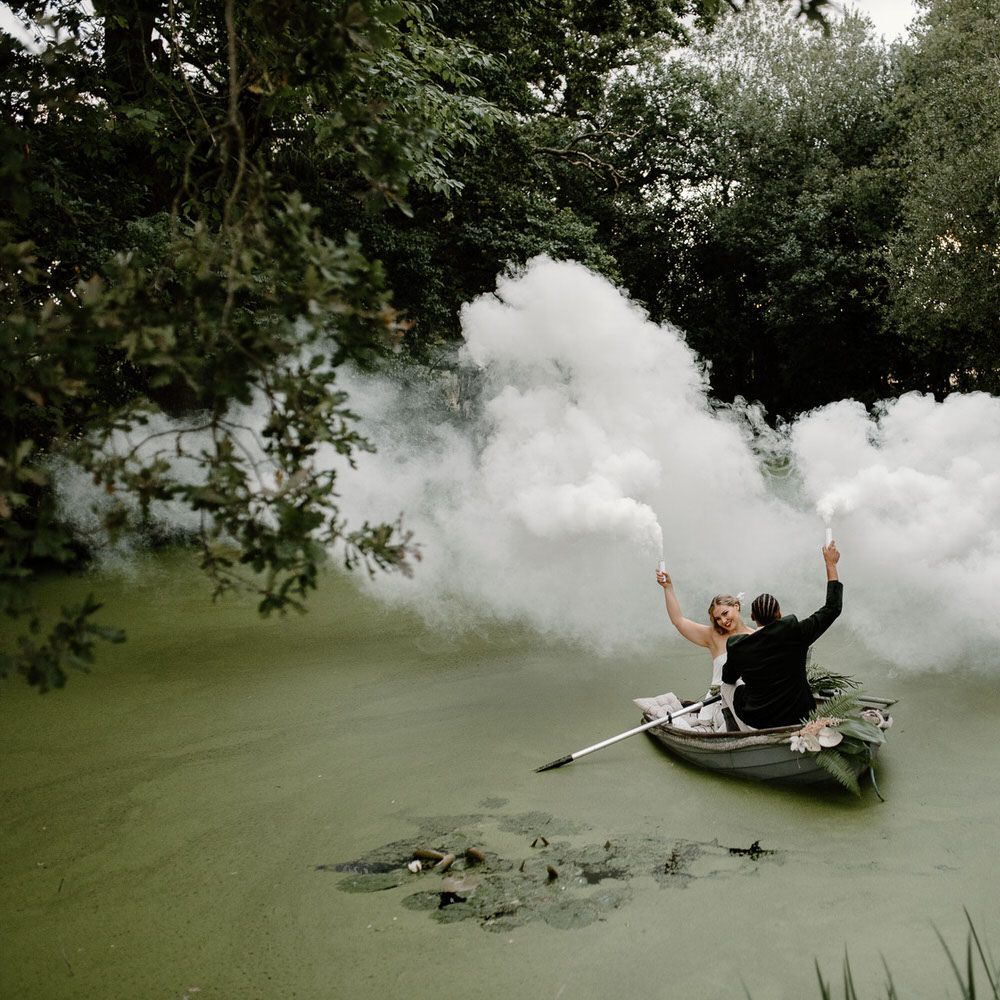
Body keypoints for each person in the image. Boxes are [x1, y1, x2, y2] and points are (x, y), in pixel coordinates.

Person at [721, 541, 843, 730]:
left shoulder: (738, 646)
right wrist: (831, 564)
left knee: (725, 688)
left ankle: (738, 734)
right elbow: (832, 607)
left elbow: (728, 678)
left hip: (758, 719)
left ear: (753, 617)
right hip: (800, 715)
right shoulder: (796, 632)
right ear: (779, 614)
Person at [654, 565, 754, 699]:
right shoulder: (713, 636)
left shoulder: (756, 636)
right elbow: (678, 621)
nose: (723, 621)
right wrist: (668, 588)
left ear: (736, 606)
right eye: (718, 618)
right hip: (716, 702)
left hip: (747, 702)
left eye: (725, 613)